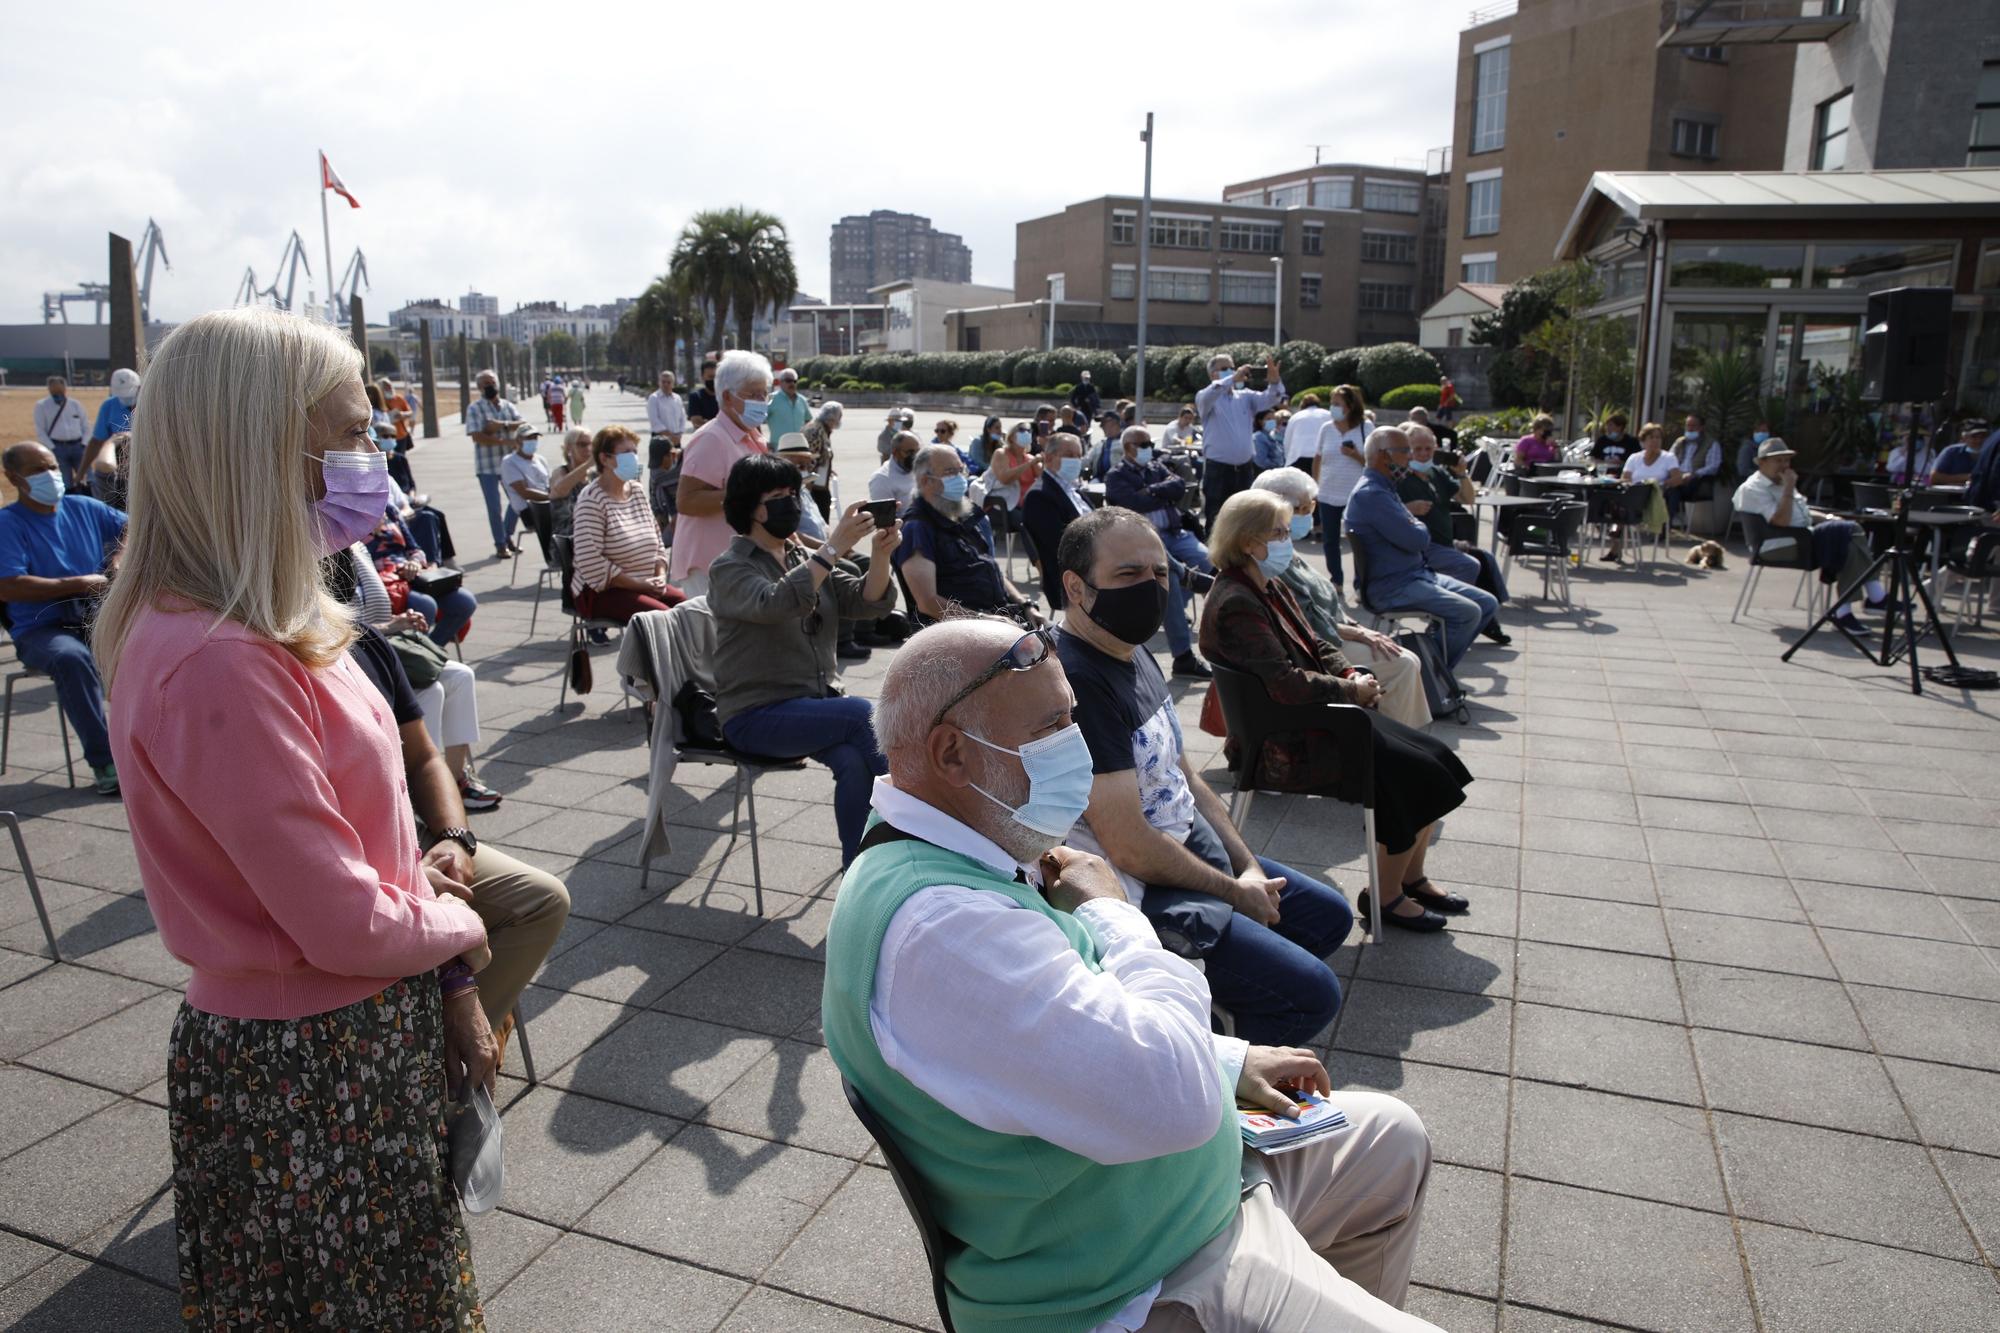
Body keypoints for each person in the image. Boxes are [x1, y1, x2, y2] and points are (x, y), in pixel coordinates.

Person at [825, 617, 1438, 1333]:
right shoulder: (941, 930)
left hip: (1181, 1199)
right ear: (952, 752)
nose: (1075, 748)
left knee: (1391, 1138)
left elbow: (1060, 1034)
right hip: (1133, 1278)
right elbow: (1171, 1099)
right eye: (1052, 726)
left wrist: (1225, 1056)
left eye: (1073, 719)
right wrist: (1115, 915)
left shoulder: (967, 851)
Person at [94, 306, 492, 1329]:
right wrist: (460, 927)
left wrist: (427, 914)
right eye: (354, 433)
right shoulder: (221, 654)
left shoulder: (258, 622)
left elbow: (357, 831)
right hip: (314, 1062)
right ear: (263, 449)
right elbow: (336, 919)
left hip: (336, 1032)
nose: (377, 458)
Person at [1054, 507, 1358, 1040]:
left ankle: (1223, 1007)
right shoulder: (1079, 682)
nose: (1150, 588)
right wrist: (1234, 892)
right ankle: (1212, 1071)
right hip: (1143, 887)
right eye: (1128, 574)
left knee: (1327, 916)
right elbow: (1127, 845)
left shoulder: (1131, 650)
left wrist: (1247, 869)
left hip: (1187, 845)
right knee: (1313, 996)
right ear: (1077, 587)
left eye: (1160, 573)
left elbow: (1186, 775)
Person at [1202, 489, 1473, 929]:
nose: (1288, 540)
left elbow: (1317, 643)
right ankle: (1385, 897)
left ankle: (1409, 877)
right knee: (1417, 776)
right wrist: (1352, 693)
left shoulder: (1268, 584)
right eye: (1280, 532)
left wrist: (1350, 675)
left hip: (1316, 714)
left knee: (1437, 758)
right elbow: (1286, 684)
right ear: (1249, 541)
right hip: (1289, 737)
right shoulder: (1237, 600)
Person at [347, 620, 568, 1046]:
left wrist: (455, 837)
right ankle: (445, 1059)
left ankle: (456, 1055)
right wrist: (405, 879)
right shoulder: (262, 665)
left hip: (411, 840)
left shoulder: (363, 640)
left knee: (542, 899)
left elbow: (425, 758)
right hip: (354, 870)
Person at [709, 453, 899, 865]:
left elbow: (865, 601)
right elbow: (775, 603)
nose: (790, 503)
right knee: (860, 715)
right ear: (749, 508)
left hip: (812, 705)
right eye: (777, 496)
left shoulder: (798, 556)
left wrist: (881, 554)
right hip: (754, 715)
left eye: (793, 493)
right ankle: (923, 815)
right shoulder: (730, 568)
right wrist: (831, 548)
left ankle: (859, 871)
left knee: (852, 760)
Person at [1252, 468, 1431, 729]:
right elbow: (1302, 621)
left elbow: (1324, 599)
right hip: (1317, 643)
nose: (1309, 514)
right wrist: (1358, 634)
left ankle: (1404, 738)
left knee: (1408, 659)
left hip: (1332, 633)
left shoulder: (1285, 546)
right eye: (1303, 507)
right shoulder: (1272, 557)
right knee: (1402, 665)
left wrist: (1358, 628)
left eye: (1310, 505)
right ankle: (1398, 740)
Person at [330, 545, 501, 810]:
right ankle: (420, 794)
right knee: (430, 692)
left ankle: (456, 780)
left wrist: (400, 620)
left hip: (384, 647)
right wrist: (391, 626)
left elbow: (374, 613)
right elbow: (335, 630)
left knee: (461, 677)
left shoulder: (359, 548)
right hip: (352, 660)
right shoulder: (325, 553)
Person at [0, 441, 127, 794]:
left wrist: (118, 558)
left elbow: (132, 530)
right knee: (71, 659)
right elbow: (9, 585)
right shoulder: (8, 525)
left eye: (53, 466)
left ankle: (153, 749)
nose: (51, 476)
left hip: (92, 617)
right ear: (14, 479)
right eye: (38, 470)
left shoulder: (82, 507)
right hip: (41, 628)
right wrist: (77, 583)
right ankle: (106, 762)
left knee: (149, 645)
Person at [1346, 427, 1499, 670]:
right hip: (1392, 586)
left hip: (1416, 575)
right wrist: (1415, 523)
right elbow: (1418, 539)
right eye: (1405, 450)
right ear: (1384, 455)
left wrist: (1415, 524)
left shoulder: (1385, 488)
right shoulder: (1372, 494)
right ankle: (1428, 674)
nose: (1410, 457)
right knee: (1468, 613)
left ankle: (1431, 670)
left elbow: (1417, 531)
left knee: (1487, 603)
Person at [1733, 437, 1883, 634]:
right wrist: (1788, 488)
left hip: (1803, 537)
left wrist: (1830, 518)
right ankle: (1872, 598)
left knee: (1849, 538)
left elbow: (1803, 513)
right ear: (1762, 463)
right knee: (1849, 533)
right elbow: (1782, 521)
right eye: (1778, 461)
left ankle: (1850, 609)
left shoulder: (1783, 482)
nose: (1784, 466)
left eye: (1787, 461)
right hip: (1779, 544)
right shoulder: (1753, 488)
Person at [1104, 425, 1214, 679]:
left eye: (1149, 444)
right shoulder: (1117, 475)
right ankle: (1183, 656)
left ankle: (1181, 593)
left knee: (1208, 561)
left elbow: (1179, 486)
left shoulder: (1156, 467)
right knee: (1171, 581)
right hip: (1144, 540)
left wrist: (1151, 491)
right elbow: (1130, 503)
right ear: (1129, 447)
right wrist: (1158, 494)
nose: (1148, 449)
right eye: (1143, 445)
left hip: (1176, 532)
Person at [894, 444, 1042, 625]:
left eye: (960, 470)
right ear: (926, 481)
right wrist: (983, 620)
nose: (959, 478)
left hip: (999, 620)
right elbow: (927, 602)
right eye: (950, 472)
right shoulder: (916, 528)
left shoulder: (962, 517)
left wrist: (1026, 605)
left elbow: (990, 569)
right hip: (957, 634)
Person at [672, 349, 772, 595]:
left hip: (741, 562)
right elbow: (686, 501)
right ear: (728, 397)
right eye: (753, 394)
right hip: (711, 566)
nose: (761, 401)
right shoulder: (711, 438)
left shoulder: (752, 436)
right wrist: (744, 493)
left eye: (765, 393)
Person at [1400, 425, 1512, 639]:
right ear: (1408, 450)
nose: (1423, 454)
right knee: (1469, 564)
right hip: (1421, 547)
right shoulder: (1401, 476)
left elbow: (1468, 499)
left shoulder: (1437, 473)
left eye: (1428, 449)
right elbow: (1387, 510)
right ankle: (1447, 616)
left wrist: (1462, 474)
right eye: (1418, 449)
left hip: (1444, 543)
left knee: (1483, 557)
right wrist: (1409, 507)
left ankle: (1487, 618)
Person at [577, 424, 684, 620]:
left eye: (635, 451)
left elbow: (657, 541)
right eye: (626, 452)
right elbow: (590, 562)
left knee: (693, 609)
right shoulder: (591, 500)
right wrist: (639, 585)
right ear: (604, 459)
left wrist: (660, 575)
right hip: (605, 591)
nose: (634, 457)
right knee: (666, 620)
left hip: (646, 581)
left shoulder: (635, 490)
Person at [1196, 351, 1287, 524]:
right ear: (1212, 374)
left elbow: (1271, 399)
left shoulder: (1245, 396)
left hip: (1244, 469)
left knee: (1243, 519)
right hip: (1218, 470)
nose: (1231, 371)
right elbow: (1210, 394)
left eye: (1232, 367)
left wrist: (1274, 381)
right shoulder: (1206, 397)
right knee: (1216, 518)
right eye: (1225, 368)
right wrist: (1231, 378)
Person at [1021, 431, 1095, 609]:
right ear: (1048, 459)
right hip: (1077, 575)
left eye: (1078, 455)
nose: (1076, 460)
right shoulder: (1040, 495)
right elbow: (1062, 545)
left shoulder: (1072, 489)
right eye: (1069, 455)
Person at [465, 368, 526, 559]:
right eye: (485, 384)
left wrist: (500, 425)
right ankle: (500, 544)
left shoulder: (508, 405)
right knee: (494, 507)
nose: (489, 386)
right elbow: (476, 436)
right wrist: (504, 439)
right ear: (479, 388)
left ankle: (507, 534)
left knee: (518, 500)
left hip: (509, 463)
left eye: (491, 382)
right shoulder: (474, 408)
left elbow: (522, 423)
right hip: (487, 465)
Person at [1314, 384, 1370, 589]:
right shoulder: (1326, 428)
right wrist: (1314, 485)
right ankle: (1336, 580)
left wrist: (1354, 454)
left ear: (1350, 406)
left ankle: (1359, 583)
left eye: (1337, 403)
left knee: (1358, 541)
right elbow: (1317, 458)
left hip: (1356, 494)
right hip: (1328, 492)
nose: (1333, 407)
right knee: (1330, 540)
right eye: (1332, 403)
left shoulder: (1366, 427)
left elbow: (1373, 463)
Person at [1605, 422, 1682, 562]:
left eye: (1658, 438)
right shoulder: (1634, 458)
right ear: (1643, 440)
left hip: (1653, 498)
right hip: (1632, 497)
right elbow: (1625, 479)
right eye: (1651, 438)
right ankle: (1615, 538)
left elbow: (1677, 478)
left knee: (1621, 509)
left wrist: (1660, 485)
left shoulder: (1668, 458)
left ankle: (1615, 538)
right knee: (1614, 502)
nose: (1655, 441)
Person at [501, 427, 555, 564]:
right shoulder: (509, 462)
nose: (533, 441)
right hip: (530, 510)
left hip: (550, 502)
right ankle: (556, 558)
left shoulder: (540, 460)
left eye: (535, 438)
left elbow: (549, 484)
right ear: (518, 440)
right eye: (528, 438)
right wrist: (552, 497)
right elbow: (524, 492)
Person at [80, 368, 140, 486]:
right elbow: (96, 441)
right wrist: (81, 472)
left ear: (139, 387)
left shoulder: (152, 404)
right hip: (119, 466)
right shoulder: (109, 406)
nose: (127, 399)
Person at [33, 376, 89, 488]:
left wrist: (84, 444)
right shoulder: (42, 406)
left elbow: (86, 426)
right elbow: (40, 430)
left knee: (88, 481)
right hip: (58, 448)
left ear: (65, 389)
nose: (58, 393)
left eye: (60, 390)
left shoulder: (75, 404)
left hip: (79, 447)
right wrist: (52, 448)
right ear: (49, 389)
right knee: (64, 483)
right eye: (54, 390)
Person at [548, 426, 594, 538]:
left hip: (592, 529)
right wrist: (588, 464)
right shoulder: (560, 472)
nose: (588, 449)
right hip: (567, 537)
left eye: (590, 444)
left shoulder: (594, 475)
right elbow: (559, 490)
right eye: (582, 445)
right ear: (569, 448)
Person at [801, 399, 843, 518]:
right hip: (814, 487)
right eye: (839, 416)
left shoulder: (821, 428)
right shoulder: (816, 431)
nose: (840, 420)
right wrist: (807, 491)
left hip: (819, 484)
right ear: (832, 417)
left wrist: (828, 468)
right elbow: (810, 459)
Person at [988, 421, 1042, 508]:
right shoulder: (1001, 453)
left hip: (1031, 502)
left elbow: (1045, 478)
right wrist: (1029, 464)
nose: (1026, 433)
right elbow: (1004, 479)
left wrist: (1047, 451)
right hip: (1008, 503)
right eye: (1022, 430)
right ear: (1011, 437)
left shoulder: (1030, 458)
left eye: (1029, 430)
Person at [378, 377, 418, 492]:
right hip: (385, 436)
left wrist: (402, 415)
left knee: (400, 460)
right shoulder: (381, 402)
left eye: (390, 386)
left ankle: (403, 485)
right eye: (386, 387)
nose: (389, 389)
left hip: (401, 436)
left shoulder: (399, 399)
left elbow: (410, 412)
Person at [870, 430, 922, 507]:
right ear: (895, 452)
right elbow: (884, 516)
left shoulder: (920, 469)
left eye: (917, 451)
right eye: (910, 452)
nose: (915, 456)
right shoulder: (882, 479)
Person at [1931, 420, 1985, 488]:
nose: (1979, 440)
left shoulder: (1993, 454)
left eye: (1983, 437)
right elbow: (1934, 477)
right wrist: (1968, 477)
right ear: (1964, 437)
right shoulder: (1951, 452)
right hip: (1951, 496)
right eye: (1974, 436)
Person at [1286, 392, 1330, 475]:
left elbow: (1288, 442)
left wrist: (1287, 460)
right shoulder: (1328, 414)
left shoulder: (1295, 417)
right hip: (1322, 458)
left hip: (1299, 458)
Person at [647, 369, 688, 459]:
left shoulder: (677, 398)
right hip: (660, 440)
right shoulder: (654, 398)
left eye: (668, 382)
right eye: (663, 382)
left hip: (676, 439)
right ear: (659, 383)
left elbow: (683, 417)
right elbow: (654, 421)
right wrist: (670, 436)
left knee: (676, 468)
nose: (666, 384)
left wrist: (679, 434)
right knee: (660, 470)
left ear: (673, 383)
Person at [767, 366, 813, 443]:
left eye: (794, 381)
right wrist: (761, 441)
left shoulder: (802, 400)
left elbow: (808, 420)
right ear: (780, 382)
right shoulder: (771, 399)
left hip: (800, 448)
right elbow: (756, 422)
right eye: (788, 381)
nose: (792, 383)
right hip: (778, 448)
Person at [686, 358, 720, 424]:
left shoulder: (724, 396)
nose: (714, 380)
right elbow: (696, 422)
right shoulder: (696, 397)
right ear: (702, 377)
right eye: (711, 377)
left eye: (716, 377)